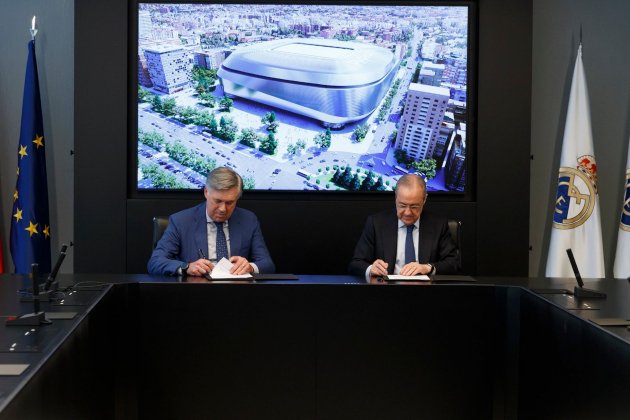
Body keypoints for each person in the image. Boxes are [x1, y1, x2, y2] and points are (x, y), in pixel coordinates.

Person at [148, 167, 275, 276]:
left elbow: (267, 264)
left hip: (237, 292)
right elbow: (155, 262)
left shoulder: (248, 220)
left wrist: (250, 267)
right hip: (196, 293)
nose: (223, 209)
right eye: (218, 201)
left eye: (230, 202)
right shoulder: (181, 221)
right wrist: (187, 267)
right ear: (206, 192)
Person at [348, 174, 460, 280]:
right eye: (402, 205)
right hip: (387, 292)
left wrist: (428, 268)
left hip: (426, 293)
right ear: (395, 198)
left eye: (414, 206)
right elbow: (356, 263)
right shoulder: (376, 223)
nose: (407, 212)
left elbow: (453, 263)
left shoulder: (438, 224)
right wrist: (371, 268)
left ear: (424, 200)